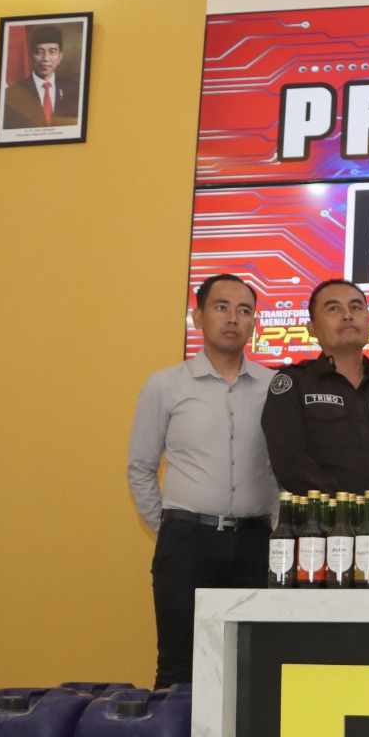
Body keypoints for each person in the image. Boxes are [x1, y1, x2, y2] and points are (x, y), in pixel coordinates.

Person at [127, 274, 277, 688]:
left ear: (254, 322)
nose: (233, 318)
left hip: (255, 545)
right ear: (198, 317)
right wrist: (171, 528)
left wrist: (275, 527)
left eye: (244, 310)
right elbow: (140, 467)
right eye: (221, 307)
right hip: (187, 545)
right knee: (179, 665)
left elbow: (280, 469)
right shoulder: (165, 385)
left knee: (253, 666)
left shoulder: (274, 387)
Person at [260, 278, 369, 496]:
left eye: (356, 307)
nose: (347, 315)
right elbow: (290, 462)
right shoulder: (293, 383)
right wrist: (345, 507)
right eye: (334, 308)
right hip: (321, 516)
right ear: (311, 328)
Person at [2, 24, 80, 128]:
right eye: (40, 52)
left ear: (60, 57)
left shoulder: (74, 89)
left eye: (52, 52)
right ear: (30, 56)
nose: (46, 58)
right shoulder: (13, 93)